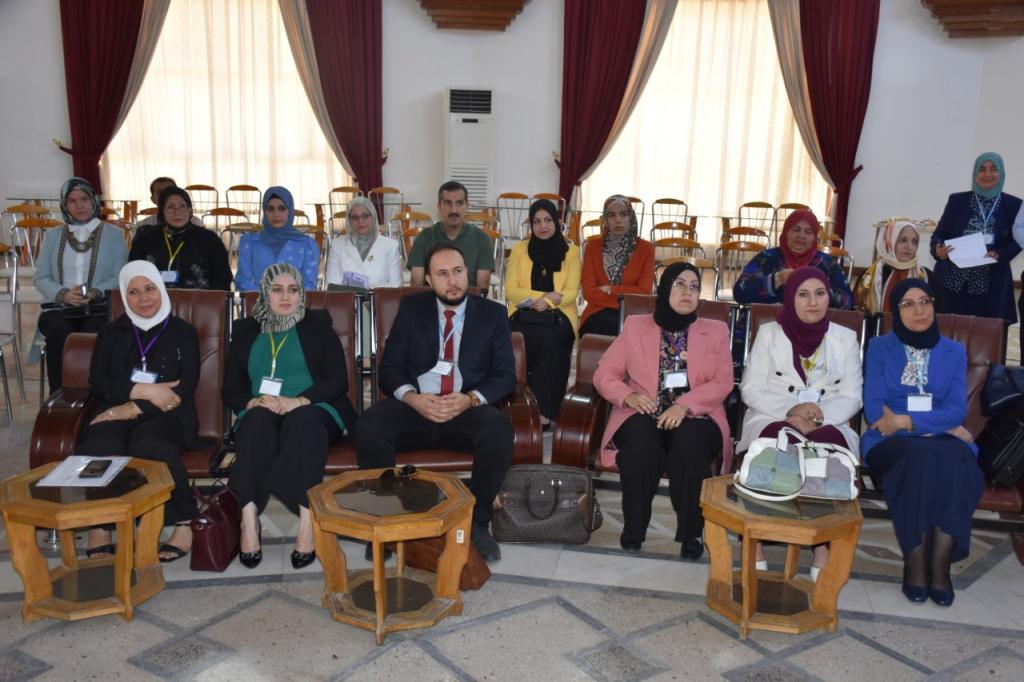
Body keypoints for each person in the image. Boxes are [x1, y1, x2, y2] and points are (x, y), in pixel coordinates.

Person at [356, 243, 515, 562]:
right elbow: (390, 368)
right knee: (369, 427)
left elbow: (505, 375)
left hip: (463, 409)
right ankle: (385, 522)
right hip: (417, 407)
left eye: (458, 271)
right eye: (442, 274)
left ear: (468, 272)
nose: (452, 281)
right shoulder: (412, 309)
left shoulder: (492, 314)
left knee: (498, 430)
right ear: (428, 279)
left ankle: (477, 522)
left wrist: (470, 399)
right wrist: (412, 398)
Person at [593, 263, 733, 559]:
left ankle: (691, 532)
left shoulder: (716, 331)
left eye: (694, 286)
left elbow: (723, 382)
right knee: (640, 448)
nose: (687, 292)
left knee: (688, 446)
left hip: (697, 413)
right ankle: (634, 528)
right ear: (665, 288)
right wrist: (629, 396)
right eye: (680, 284)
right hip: (644, 409)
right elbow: (604, 373)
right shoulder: (635, 326)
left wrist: (685, 405)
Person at [223, 263, 356, 570]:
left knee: (303, 423)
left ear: (302, 293)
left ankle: (307, 520)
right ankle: (248, 519)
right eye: (277, 289)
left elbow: (338, 381)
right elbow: (230, 390)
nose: (286, 297)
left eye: (293, 290)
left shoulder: (318, 326)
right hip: (263, 408)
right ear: (264, 293)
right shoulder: (245, 331)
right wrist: (254, 401)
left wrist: (298, 401)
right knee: (254, 422)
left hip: (315, 407)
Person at [862, 278, 982, 607]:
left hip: (928, 438)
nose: (919, 310)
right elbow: (875, 410)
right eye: (908, 304)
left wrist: (908, 422)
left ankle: (939, 565)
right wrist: (936, 426)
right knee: (922, 457)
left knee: (956, 461)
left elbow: (957, 410)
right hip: (890, 440)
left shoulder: (953, 351)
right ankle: (915, 563)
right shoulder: (880, 348)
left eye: (925, 301)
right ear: (896, 311)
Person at [738, 266, 863, 578]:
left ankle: (822, 545)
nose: (813, 302)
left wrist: (818, 417)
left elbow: (852, 395)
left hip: (828, 416)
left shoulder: (845, 338)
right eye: (803, 294)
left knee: (828, 449)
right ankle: (755, 540)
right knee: (775, 446)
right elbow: (750, 389)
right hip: (774, 413)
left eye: (820, 293)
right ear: (791, 297)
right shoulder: (769, 333)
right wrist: (793, 410)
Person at [76, 261, 200, 562]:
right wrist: (142, 391)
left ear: (161, 290)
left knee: (151, 445)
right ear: (124, 296)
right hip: (117, 409)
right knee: (99, 444)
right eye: (133, 292)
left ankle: (183, 521)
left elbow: (185, 385)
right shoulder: (111, 332)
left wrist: (135, 406)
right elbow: (99, 382)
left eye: (149, 289)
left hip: (169, 413)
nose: (143, 298)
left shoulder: (182, 332)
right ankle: (100, 524)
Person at [34, 177, 129, 393]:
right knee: (60, 329)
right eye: (72, 201)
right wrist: (64, 294)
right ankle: (60, 397)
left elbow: (119, 276)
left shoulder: (114, 235)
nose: (79, 206)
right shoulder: (52, 236)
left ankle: (92, 396)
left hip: (99, 306)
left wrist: (94, 292)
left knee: (94, 330)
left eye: (84, 199)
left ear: (93, 201)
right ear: (64, 205)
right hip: (58, 307)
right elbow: (40, 277)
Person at [504, 199, 580, 425]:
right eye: (536, 221)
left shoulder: (571, 252)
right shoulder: (520, 250)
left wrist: (549, 303)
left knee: (551, 340)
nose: (542, 226)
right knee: (515, 338)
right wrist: (545, 297)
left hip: (559, 315)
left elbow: (571, 292)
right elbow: (511, 290)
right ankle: (516, 406)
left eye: (547, 220)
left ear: (556, 222)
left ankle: (545, 411)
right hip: (523, 312)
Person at [932, 152, 1022, 333]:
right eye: (982, 169)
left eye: (993, 169)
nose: (987, 174)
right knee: (947, 334)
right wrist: (938, 249)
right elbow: (939, 234)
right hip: (953, 282)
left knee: (985, 337)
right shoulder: (957, 201)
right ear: (975, 173)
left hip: (991, 284)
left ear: (1001, 173)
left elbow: (1019, 240)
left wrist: (1001, 254)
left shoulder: (1014, 205)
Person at [733, 209, 853, 308]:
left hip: (813, 326)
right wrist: (777, 279)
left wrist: (819, 288)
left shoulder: (827, 263)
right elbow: (740, 292)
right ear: (786, 232)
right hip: (769, 322)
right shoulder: (766, 258)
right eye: (796, 230)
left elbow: (848, 302)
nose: (801, 236)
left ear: (814, 238)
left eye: (808, 232)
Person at [579, 195, 655, 337]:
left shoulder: (646, 249)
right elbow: (588, 293)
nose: (618, 220)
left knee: (628, 331)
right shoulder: (592, 247)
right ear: (605, 219)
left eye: (623, 214)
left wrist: (610, 289)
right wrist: (622, 298)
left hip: (632, 313)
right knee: (603, 327)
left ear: (631, 217)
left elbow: (644, 292)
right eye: (612, 215)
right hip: (597, 312)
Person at [129, 186, 232, 290]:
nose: (177, 212)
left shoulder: (209, 239)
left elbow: (222, 278)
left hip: (198, 298)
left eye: (182, 206)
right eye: (170, 207)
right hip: (153, 298)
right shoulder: (145, 239)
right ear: (162, 211)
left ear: (190, 210)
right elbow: (133, 275)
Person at [407, 181, 495, 289]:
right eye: (448, 203)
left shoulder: (482, 239)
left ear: (467, 205)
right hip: (432, 298)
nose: (454, 210)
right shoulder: (424, 237)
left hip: (469, 299)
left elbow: (482, 288)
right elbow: (416, 285)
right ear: (439, 206)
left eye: (459, 203)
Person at [235, 187, 319, 291]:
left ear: (290, 211)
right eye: (270, 209)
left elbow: (309, 286)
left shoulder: (307, 245)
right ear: (265, 211)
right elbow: (242, 281)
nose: (276, 214)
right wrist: (265, 298)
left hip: (294, 301)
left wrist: (285, 298)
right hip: (258, 300)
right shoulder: (250, 242)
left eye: (282, 208)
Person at [854, 219, 934, 314]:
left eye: (914, 242)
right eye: (903, 240)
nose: (909, 247)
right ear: (888, 242)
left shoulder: (926, 276)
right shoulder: (869, 276)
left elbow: (939, 316)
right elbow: (855, 314)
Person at [325, 196, 402, 289]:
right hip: (348, 299)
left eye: (365, 216)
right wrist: (372, 287)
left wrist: (365, 291)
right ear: (349, 220)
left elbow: (395, 286)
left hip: (380, 298)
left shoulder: (390, 246)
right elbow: (332, 286)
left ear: (373, 217)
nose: (360, 221)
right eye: (354, 217)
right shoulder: (337, 245)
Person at [135, 177, 202, 239]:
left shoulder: (195, 222)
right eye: (160, 192)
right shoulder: (141, 226)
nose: (165, 195)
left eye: (169, 190)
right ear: (153, 199)